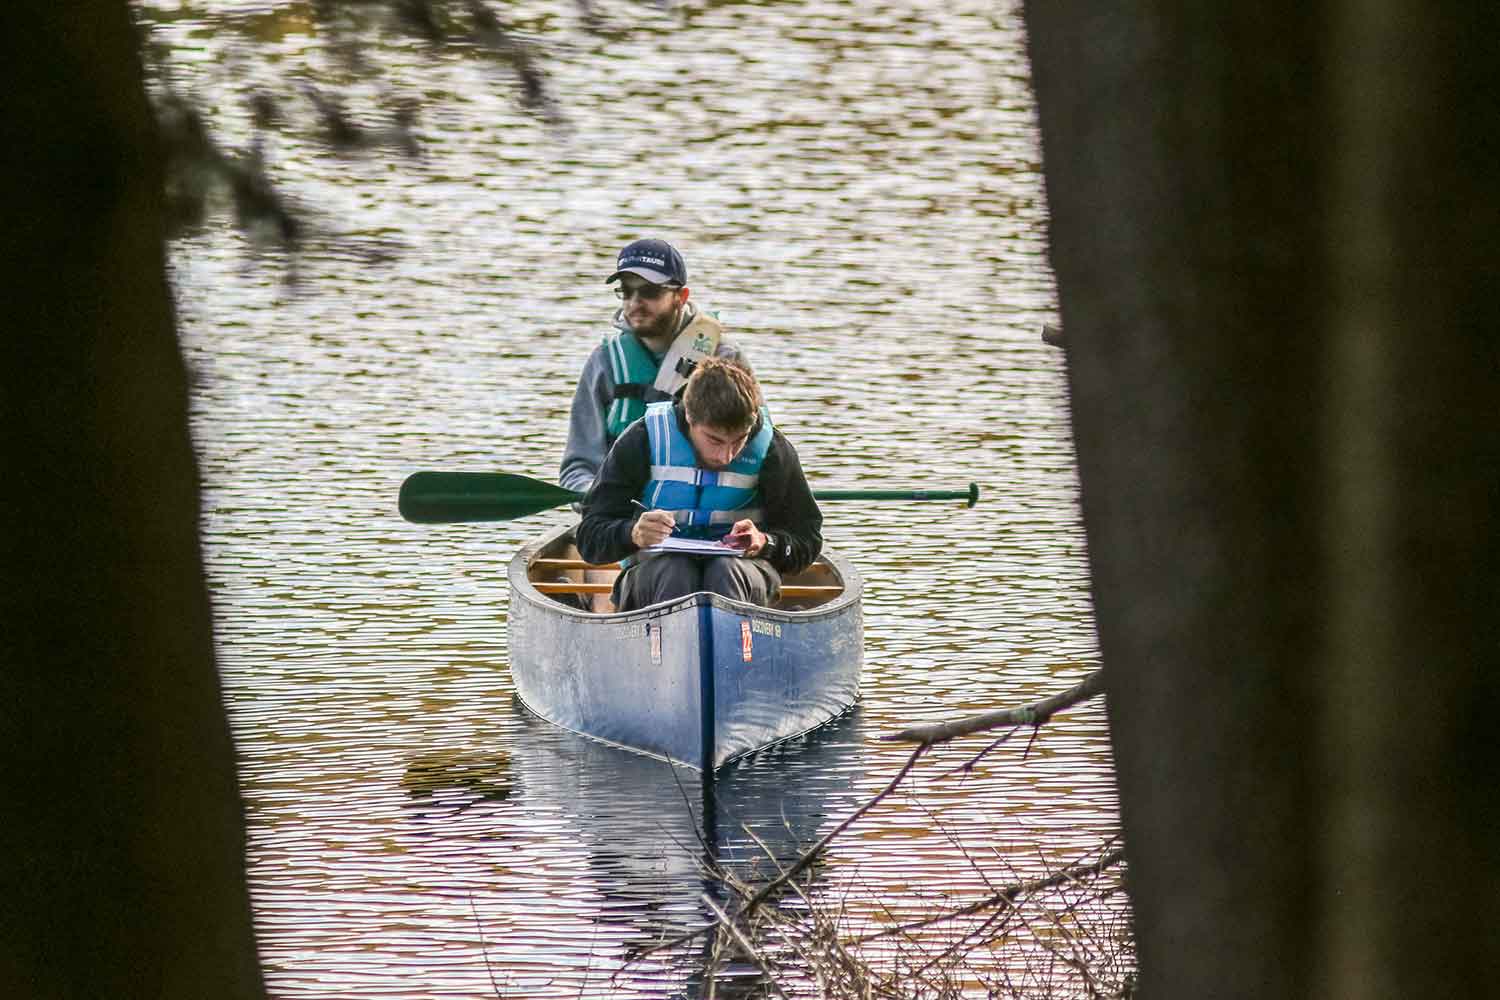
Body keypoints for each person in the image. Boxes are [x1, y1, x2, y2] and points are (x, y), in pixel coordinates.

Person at [576, 358, 821, 613]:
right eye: (715, 440)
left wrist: (765, 541)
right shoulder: (641, 439)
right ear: (689, 416)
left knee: (725, 571)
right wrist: (633, 533)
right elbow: (589, 539)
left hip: (741, 574)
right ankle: (668, 646)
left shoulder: (773, 449)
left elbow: (807, 540)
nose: (726, 456)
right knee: (675, 571)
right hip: (655, 573)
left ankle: (732, 646)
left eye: (739, 441)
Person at [559, 238, 750, 495]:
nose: (635, 302)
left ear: (681, 297)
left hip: (706, 509)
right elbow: (578, 466)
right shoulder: (604, 362)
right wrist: (595, 499)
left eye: (649, 292)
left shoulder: (726, 357)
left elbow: (755, 446)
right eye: (627, 291)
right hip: (623, 516)